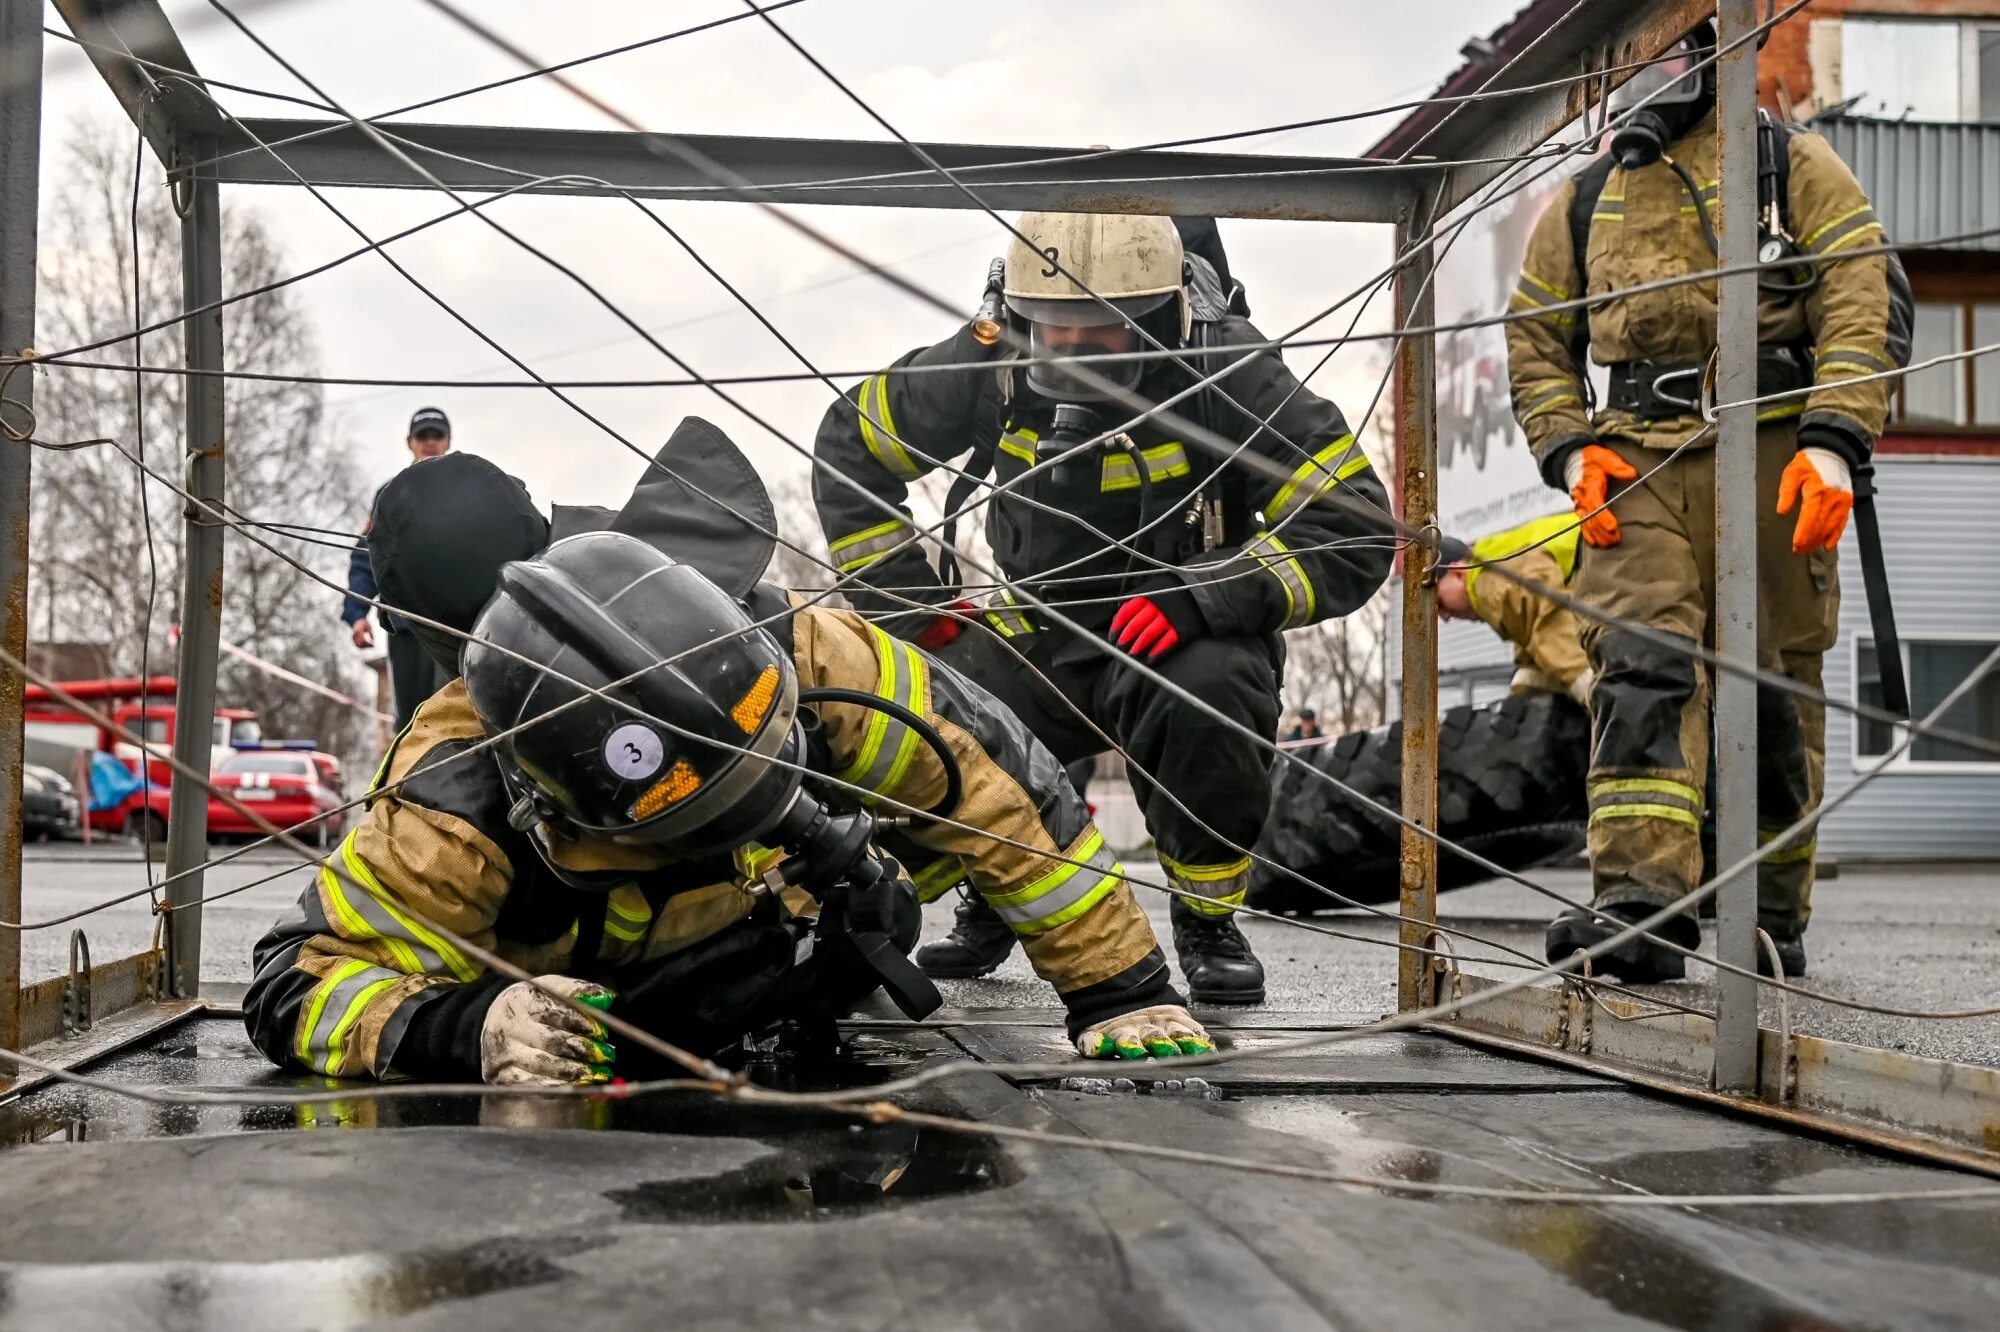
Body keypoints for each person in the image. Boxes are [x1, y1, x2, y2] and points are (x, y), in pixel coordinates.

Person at [244, 531, 1213, 1084]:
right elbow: (294, 986)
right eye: (701, 813)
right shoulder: (453, 809)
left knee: (879, 905)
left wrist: (1121, 994)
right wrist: (468, 1029)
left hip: (793, 925)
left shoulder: (821, 661)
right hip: (590, 997)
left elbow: (1005, 800)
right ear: (557, 804)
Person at [813, 211, 1393, 1004]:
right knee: (934, 715)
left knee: (1213, 688)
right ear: (1015, 313)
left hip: (1178, 635)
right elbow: (850, 444)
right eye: (1055, 333)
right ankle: (995, 887)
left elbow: (1352, 524)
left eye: (1103, 335)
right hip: (1034, 630)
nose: (1074, 354)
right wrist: (912, 611)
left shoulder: (1227, 370)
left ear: (1164, 315)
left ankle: (1206, 918)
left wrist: (1205, 595)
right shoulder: (987, 364)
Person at [1503, 21, 1909, 980]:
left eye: (1662, 57)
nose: (1643, 79)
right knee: (1641, 667)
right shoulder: (1588, 197)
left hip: (1775, 456)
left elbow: (1861, 293)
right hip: (1635, 461)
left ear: (1712, 55)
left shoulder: (1792, 165)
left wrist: (1836, 440)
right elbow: (1533, 336)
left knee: (1773, 683)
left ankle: (1770, 909)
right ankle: (1639, 903)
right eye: (1626, 61)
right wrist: (1568, 452)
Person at [343, 406, 456, 731]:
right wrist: (357, 614)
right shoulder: (391, 495)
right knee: (411, 722)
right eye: (424, 436)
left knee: (459, 717)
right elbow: (367, 558)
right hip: (409, 629)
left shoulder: (469, 492)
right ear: (410, 442)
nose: (430, 442)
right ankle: (408, 781)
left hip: (461, 626)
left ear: (447, 441)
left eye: (437, 435)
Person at [1435, 512, 1593, 707]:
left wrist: (1598, 697)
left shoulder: (1488, 585)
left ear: (1458, 573)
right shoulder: (1495, 564)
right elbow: (1535, 638)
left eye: (1439, 602)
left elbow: (1550, 623)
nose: (1445, 616)